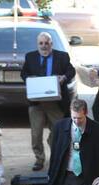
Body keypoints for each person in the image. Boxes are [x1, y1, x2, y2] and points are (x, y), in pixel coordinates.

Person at [21, 32, 76, 171]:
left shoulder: (62, 56)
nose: (44, 46)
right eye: (41, 43)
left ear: (51, 44)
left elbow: (71, 71)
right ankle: (39, 159)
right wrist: (29, 77)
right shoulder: (30, 57)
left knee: (58, 131)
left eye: (46, 43)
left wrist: (63, 77)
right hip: (37, 103)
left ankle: (56, 158)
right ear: (37, 45)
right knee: (36, 133)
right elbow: (23, 73)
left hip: (55, 102)